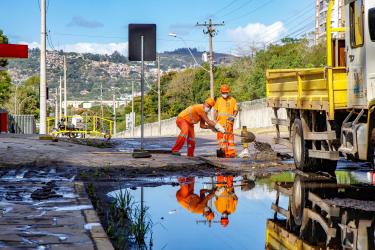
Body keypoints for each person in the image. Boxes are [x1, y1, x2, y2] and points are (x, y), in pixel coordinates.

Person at [214, 84, 238, 158]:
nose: (225, 94)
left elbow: (236, 110)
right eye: (223, 93)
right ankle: (223, 152)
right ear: (221, 92)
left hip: (229, 123)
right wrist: (215, 121)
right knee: (221, 139)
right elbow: (216, 111)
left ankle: (231, 153)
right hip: (220, 123)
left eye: (226, 92)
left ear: (228, 92)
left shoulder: (233, 100)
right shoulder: (218, 100)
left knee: (230, 138)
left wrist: (233, 117)